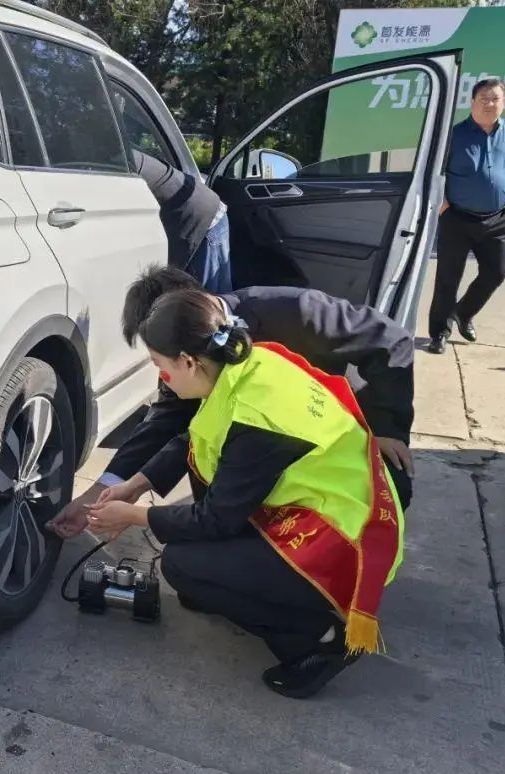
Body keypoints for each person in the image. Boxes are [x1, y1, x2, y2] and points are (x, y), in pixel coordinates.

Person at [83, 290, 406, 698]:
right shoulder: (249, 364)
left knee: (181, 564)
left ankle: (319, 641)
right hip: (328, 506)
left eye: (161, 369)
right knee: (197, 562)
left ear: (188, 361)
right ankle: (234, 584)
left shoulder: (258, 420)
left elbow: (216, 519)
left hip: (340, 540)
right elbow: (202, 435)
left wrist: (134, 517)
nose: (162, 380)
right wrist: (135, 485)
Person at [49, 265, 415, 538]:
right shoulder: (180, 354)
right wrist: (98, 495)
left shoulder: (292, 312)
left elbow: (392, 340)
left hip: (339, 438)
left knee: (390, 486)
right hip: (269, 450)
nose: (162, 369)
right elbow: (164, 428)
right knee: (202, 464)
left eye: (162, 357)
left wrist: (386, 428)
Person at [428, 77, 505, 355]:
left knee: (497, 271)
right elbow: (436, 172)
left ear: (504, 103)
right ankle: (439, 332)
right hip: (457, 217)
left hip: (498, 219)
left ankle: (464, 312)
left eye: (495, 98)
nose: (489, 103)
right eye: (483, 98)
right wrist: (444, 205)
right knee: (448, 278)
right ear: (472, 101)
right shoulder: (455, 134)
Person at [130, 149, 232, 294]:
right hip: (193, 209)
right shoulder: (111, 154)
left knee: (209, 305)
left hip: (205, 219)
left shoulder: (117, 160)